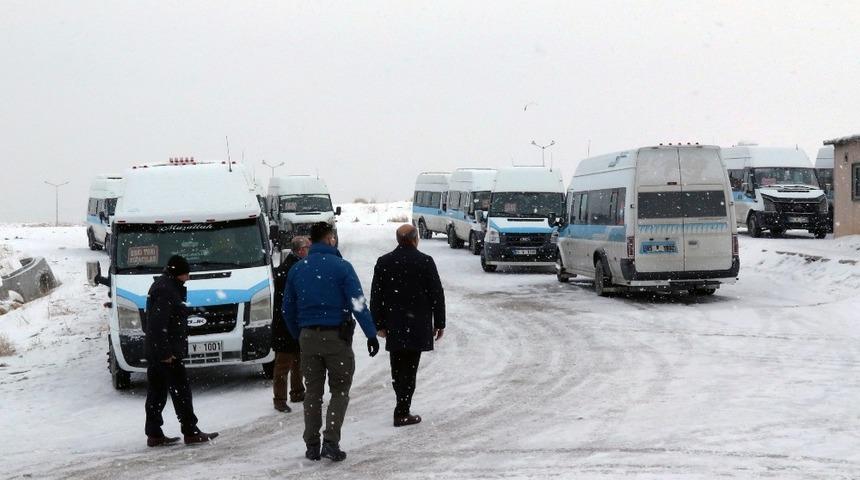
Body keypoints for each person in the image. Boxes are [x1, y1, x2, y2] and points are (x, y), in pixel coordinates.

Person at [283, 222, 380, 462]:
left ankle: (311, 444)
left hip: (308, 336)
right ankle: (331, 441)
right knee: (339, 390)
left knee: (312, 393)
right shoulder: (342, 267)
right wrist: (370, 334)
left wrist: (300, 335)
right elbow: (357, 303)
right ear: (329, 239)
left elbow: (287, 309)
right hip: (336, 337)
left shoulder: (298, 269)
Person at [370, 224, 445, 427]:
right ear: (415, 239)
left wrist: (377, 323)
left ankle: (401, 404)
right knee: (410, 368)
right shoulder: (425, 262)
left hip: (394, 324)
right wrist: (439, 323)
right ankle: (402, 410)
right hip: (417, 324)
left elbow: (376, 297)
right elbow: (436, 294)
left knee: (398, 368)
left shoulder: (384, 262)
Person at [144, 255, 219, 447]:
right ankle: (191, 431)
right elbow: (157, 325)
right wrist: (166, 354)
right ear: (179, 273)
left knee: (157, 392)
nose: (189, 278)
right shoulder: (166, 290)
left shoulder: (165, 286)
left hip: (158, 353)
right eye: (187, 274)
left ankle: (154, 434)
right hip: (167, 355)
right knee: (181, 392)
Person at [270, 236, 309, 412]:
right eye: (307, 247)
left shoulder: (289, 267)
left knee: (297, 358)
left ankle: (297, 391)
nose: (309, 250)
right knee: (284, 362)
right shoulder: (291, 269)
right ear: (300, 250)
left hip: (288, 320)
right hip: (286, 322)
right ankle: (280, 398)